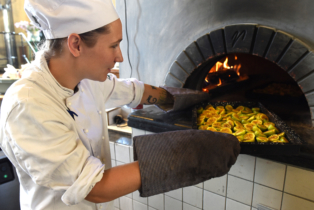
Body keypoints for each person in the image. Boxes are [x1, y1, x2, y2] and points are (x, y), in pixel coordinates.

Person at [0, 0, 240, 209]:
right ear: (75, 44)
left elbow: (132, 90)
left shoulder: (85, 80)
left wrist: (184, 98)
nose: (120, 56)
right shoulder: (28, 105)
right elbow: (95, 188)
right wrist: (188, 153)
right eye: (113, 45)